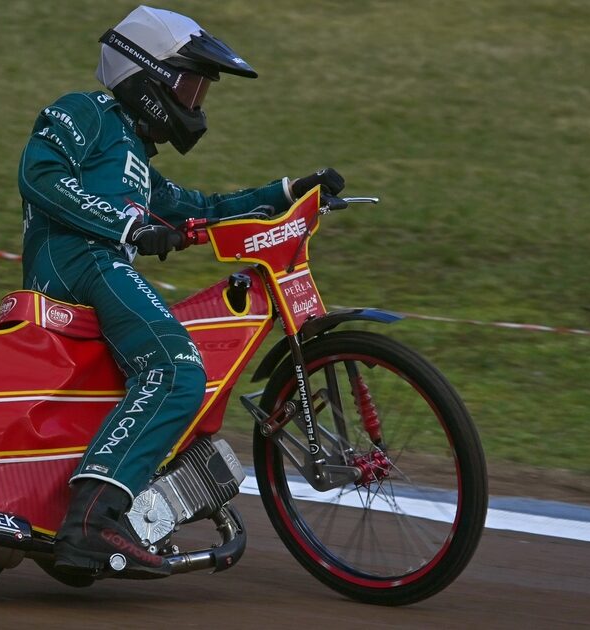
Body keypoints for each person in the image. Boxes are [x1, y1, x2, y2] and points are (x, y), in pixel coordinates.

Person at [17, 5, 345, 575]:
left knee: (171, 362)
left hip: (97, 265)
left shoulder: (138, 162)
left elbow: (205, 210)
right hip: (76, 261)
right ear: (148, 78)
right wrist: (126, 226)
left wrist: (288, 191)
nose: (198, 102)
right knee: (177, 370)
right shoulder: (86, 112)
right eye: (192, 85)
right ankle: (92, 520)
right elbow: (39, 175)